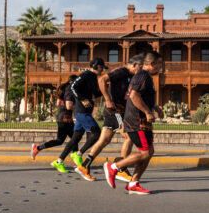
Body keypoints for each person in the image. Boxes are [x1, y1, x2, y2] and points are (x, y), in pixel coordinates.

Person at [104, 50, 163, 194]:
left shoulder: (144, 76)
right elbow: (135, 96)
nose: (161, 67)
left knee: (149, 152)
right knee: (145, 153)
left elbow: (142, 96)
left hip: (140, 120)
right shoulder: (142, 76)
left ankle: (134, 183)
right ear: (151, 64)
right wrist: (148, 112)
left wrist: (155, 107)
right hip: (137, 120)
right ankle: (113, 167)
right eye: (159, 64)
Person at [77, 54, 143, 180]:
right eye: (140, 67)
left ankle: (84, 165)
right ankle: (122, 168)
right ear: (134, 65)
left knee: (104, 140)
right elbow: (102, 80)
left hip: (116, 111)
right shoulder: (122, 72)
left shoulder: (131, 76)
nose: (140, 71)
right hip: (115, 110)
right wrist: (107, 99)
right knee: (130, 136)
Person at [58, 58, 107, 180]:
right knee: (97, 134)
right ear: (95, 66)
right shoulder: (86, 75)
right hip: (82, 112)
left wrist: (104, 88)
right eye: (101, 67)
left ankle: (59, 160)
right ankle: (79, 154)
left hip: (84, 112)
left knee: (76, 137)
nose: (102, 70)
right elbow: (73, 87)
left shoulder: (93, 78)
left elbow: (94, 93)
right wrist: (83, 99)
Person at [30, 74, 78, 169]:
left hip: (62, 117)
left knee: (67, 140)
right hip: (65, 119)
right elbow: (68, 106)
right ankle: (75, 163)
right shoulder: (70, 90)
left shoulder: (63, 89)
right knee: (73, 139)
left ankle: (76, 162)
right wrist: (78, 107)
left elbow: (58, 103)